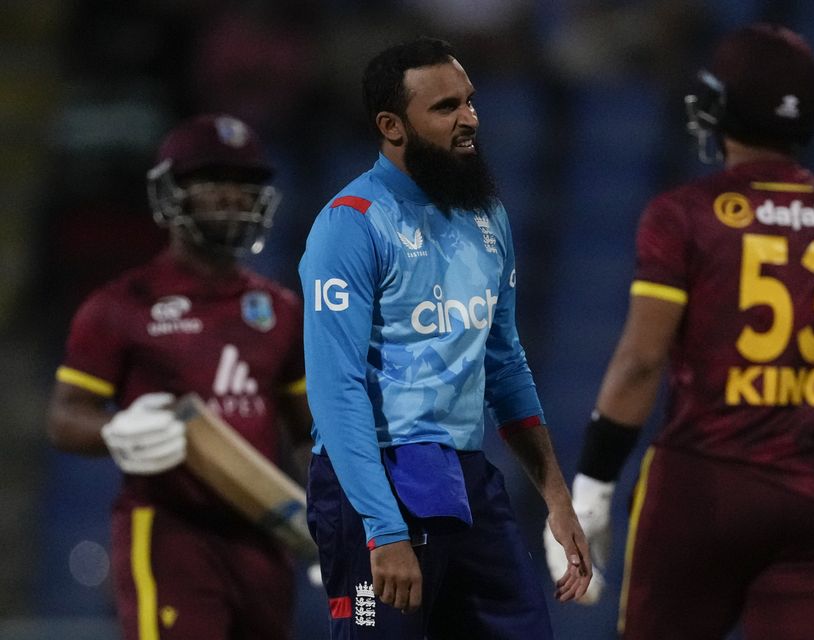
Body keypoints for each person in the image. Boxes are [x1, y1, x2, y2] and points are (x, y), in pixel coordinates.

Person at [543, 23, 814, 639]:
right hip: (811, 495)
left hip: (702, 487)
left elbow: (642, 361)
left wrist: (590, 485)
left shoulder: (683, 215)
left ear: (721, 110)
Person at [298, 37, 591, 639]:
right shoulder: (349, 224)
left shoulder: (486, 217)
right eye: (445, 108)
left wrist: (558, 498)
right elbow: (336, 393)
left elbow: (506, 367)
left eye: (470, 101)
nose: (470, 119)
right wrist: (384, 528)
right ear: (392, 126)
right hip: (374, 488)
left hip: (462, 477)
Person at [47, 113, 313, 640]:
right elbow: (62, 418)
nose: (232, 196)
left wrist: (337, 518)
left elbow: (310, 434)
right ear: (171, 192)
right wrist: (114, 431)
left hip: (264, 539)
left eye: (245, 183)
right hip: (169, 531)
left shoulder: (282, 310)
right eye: (212, 180)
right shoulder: (121, 305)